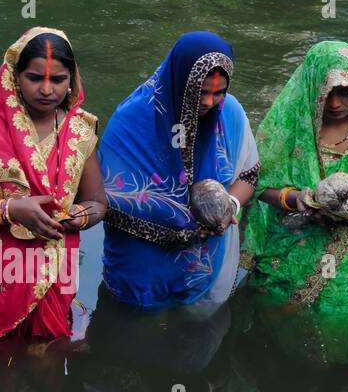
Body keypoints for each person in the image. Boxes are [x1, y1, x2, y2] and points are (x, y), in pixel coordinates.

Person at [0, 28, 107, 342]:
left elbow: (97, 202)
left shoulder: (80, 132)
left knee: (48, 355)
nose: (47, 89)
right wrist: (10, 210)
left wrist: (74, 217)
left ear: (72, 79)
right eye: (34, 77)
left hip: (55, 268)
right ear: (15, 77)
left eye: (58, 79)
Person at [98, 32, 259, 312]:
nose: (210, 102)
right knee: (133, 340)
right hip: (143, 267)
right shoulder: (133, 120)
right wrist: (182, 226)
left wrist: (227, 206)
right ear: (180, 81)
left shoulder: (230, 113)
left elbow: (249, 175)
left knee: (193, 342)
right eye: (202, 91)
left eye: (219, 92)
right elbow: (107, 202)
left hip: (205, 264)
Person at [242, 41, 348, 327]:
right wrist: (296, 200)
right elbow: (256, 187)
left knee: (337, 325)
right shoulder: (290, 124)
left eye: (345, 92)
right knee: (272, 319)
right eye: (325, 92)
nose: (334, 103)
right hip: (293, 238)